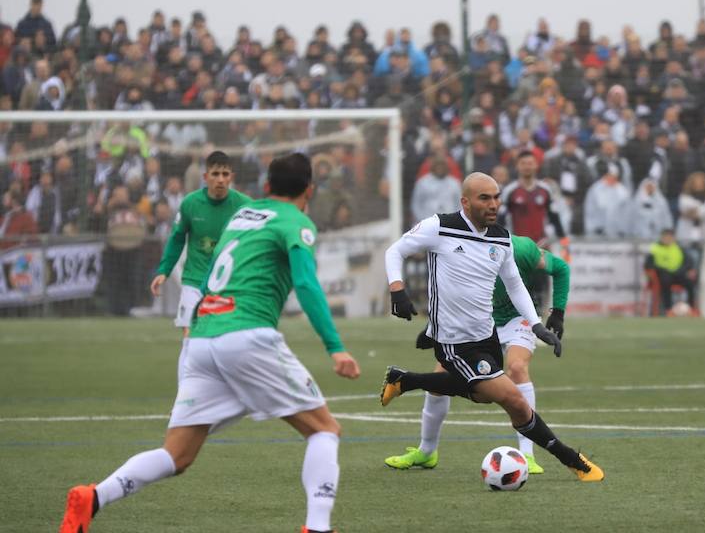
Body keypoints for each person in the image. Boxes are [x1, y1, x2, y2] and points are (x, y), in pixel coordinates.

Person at [59, 153, 361, 533]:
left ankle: (93, 497)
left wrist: (200, 320)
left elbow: (206, 275)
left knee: (178, 454)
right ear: (309, 191)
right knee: (324, 429)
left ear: (266, 187)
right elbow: (305, 283)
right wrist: (335, 347)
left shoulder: (241, 217)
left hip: (202, 339)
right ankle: (317, 528)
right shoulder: (296, 222)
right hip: (247, 337)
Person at [380, 172, 603, 482]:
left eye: (497, 197)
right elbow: (395, 251)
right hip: (453, 342)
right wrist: (397, 289)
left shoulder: (501, 238)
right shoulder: (440, 227)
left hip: (486, 335)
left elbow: (514, 285)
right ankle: (573, 460)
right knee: (513, 400)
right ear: (466, 201)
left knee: (484, 394)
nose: (494, 204)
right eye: (485, 198)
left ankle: (405, 380)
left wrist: (537, 326)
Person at [384, 234, 570, 475]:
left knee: (516, 368)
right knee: (439, 378)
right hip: (480, 324)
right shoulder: (460, 252)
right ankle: (426, 452)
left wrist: (558, 311)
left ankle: (526, 454)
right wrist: (433, 330)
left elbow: (562, 268)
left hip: (518, 319)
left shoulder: (522, 249)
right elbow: (453, 299)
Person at [150, 152, 251, 375]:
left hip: (229, 284)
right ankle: (183, 401)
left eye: (225, 174)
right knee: (190, 337)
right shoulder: (190, 204)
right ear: (206, 176)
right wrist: (164, 270)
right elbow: (177, 239)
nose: (221, 179)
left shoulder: (245, 207)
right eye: (215, 174)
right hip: (194, 282)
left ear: (231, 176)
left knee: (230, 342)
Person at [644, 228, 697, 314]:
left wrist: (681, 270)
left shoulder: (679, 248)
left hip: (678, 274)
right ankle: (668, 309)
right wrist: (661, 269)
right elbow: (648, 264)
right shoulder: (655, 249)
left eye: (670, 237)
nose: (668, 239)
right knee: (666, 282)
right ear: (661, 238)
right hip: (663, 274)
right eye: (666, 237)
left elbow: (689, 262)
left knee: (690, 283)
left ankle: (691, 309)